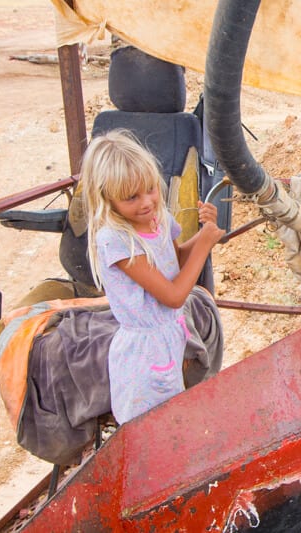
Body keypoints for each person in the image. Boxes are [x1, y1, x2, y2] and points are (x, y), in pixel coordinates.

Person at [81, 128, 225, 424]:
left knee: (171, 419)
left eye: (150, 188)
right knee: (147, 425)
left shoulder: (156, 217)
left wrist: (203, 234)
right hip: (144, 355)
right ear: (107, 199)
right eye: (131, 197)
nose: (146, 201)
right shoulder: (116, 239)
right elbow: (173, 296)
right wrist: (206, 245)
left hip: (169, 338)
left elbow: (176, 261)